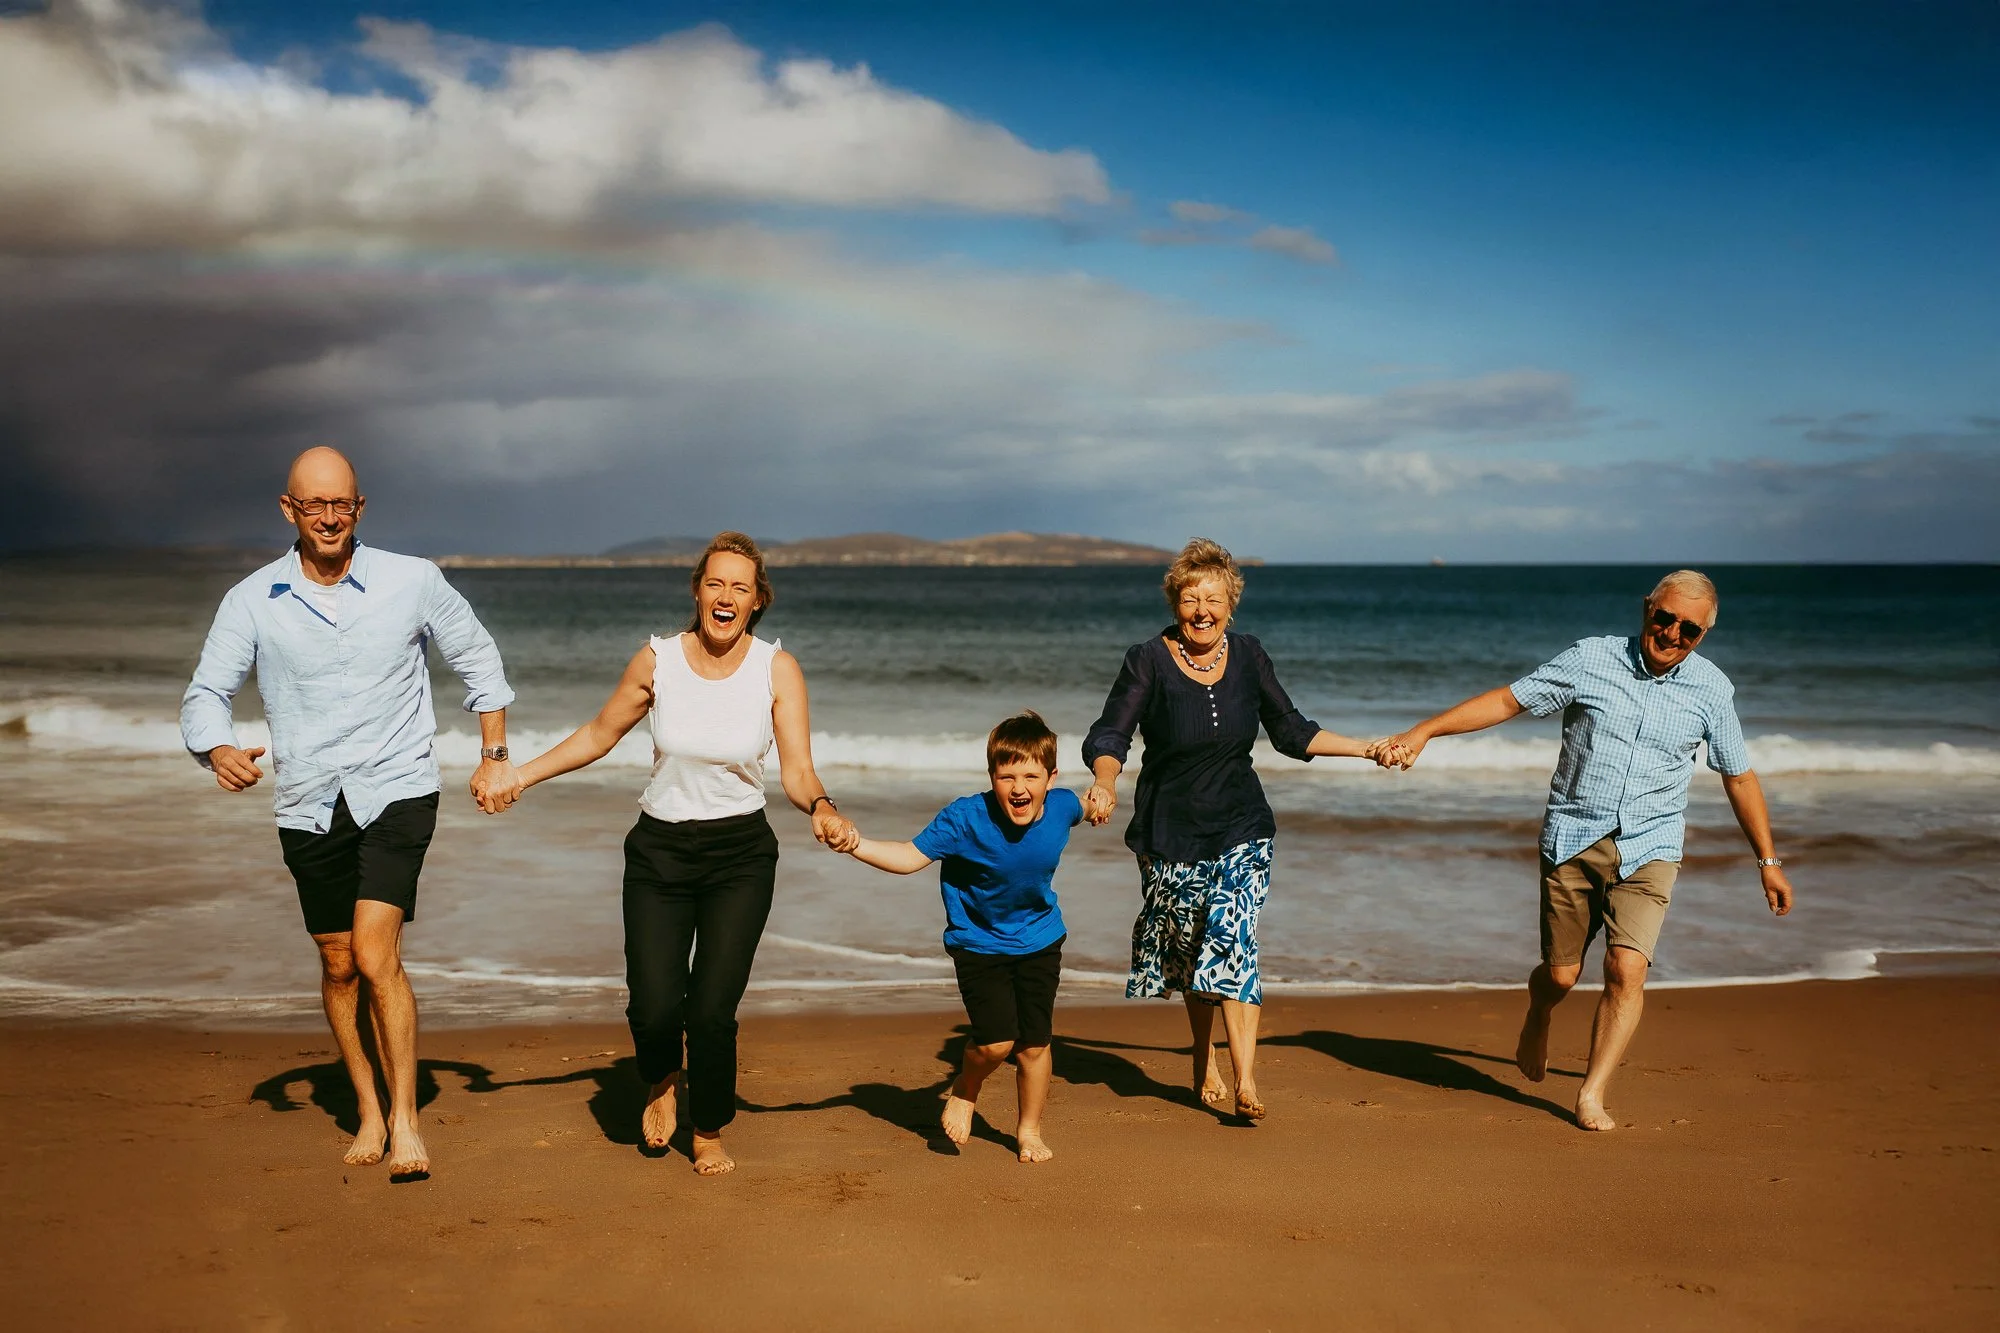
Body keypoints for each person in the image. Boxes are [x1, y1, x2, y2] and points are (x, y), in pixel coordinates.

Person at [180, 447, 517, 1179]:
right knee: (338, 962)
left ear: (359, 508)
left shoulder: (412, 580)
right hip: (307, 800)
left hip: (397, 786)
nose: (329, 517)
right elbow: (205, 691)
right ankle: (366, 1105)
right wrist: (215, 746)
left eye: (342, 505)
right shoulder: (252, 599)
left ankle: (406, 1118)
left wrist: (494, 753)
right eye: (314, 505)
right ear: (288, 509)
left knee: (373, 952)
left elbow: (479, 659)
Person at [475, 532, 854, 1176]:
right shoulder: (658, 660)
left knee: (710, 1010)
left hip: (740, 856)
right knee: (653, 1006)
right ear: (697, 591)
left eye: (740, 586)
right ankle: (659, 1078)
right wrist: (519, 775)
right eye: (715, 584)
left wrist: (821, 807)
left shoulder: (775, 669)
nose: (726, 596)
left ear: (758, 600)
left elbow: (796, 769)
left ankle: (707, 1127)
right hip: (658, 853)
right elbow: (600, 733)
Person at [1375, 569, 1796, 1131]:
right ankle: (1538, 1013)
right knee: (1563, 976)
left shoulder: (1712, 690)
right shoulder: (1590, 659)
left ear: (1703, 635)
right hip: (1575, 836)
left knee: (1626, 969)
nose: (1672, 634)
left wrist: (1767, 862)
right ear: (1647, 607)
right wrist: (1423, 732)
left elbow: (1738, 776)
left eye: (1689, 630)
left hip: (1652, 845)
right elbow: (1508, 701)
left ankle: (1591, 1094)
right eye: (1664, 617)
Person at [1082, 538, 1382, 1121]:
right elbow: (1110, 733)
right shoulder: (1146, 659)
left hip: (1243, 825)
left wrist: (1367, 748)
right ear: (1175, 604)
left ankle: (1246, 1082)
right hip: (1170, 831)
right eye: (1190, 598)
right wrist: (1104, 782)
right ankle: (1203, 1057)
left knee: (1233, 937)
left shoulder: (1249, 655)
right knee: (1196, 953)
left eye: (1213, 598)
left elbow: (1292, 732)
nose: (1201, 609)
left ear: (1231, 605)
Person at [839, 711, 1086, 1163]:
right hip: (979, 945)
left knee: (1034, 1044)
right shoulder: (965, 818)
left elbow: (1088, 805)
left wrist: (1103, 798)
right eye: (1006, 775)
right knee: (995, 1042)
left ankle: (1028, 1131)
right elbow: (908, 857)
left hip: (1041, 940)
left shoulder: (1064, 806)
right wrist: (854, 843)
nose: (1018, 788)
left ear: (1051, 778)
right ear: (990, 776)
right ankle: (966, 1088)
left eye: (1031, 776)